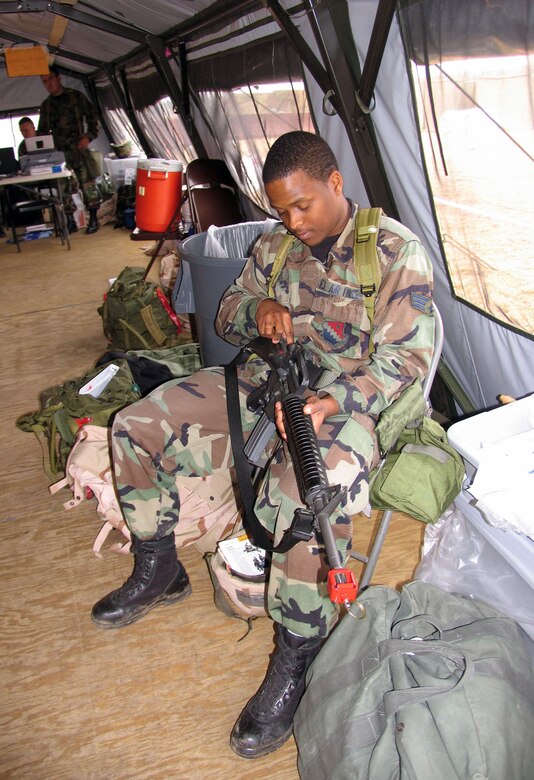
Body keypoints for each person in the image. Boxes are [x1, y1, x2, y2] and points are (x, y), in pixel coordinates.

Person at [90, 131, 435, 758]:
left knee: (305, 497)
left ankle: (296, 656)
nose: (293, 221)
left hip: (346, 406)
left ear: (335, 184)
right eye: (281, 210)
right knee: (136, 426)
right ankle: (159, 566)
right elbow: (228, 313)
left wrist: (339, 399)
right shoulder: (275, 244)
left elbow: (409, 360)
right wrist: (264, 308)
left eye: (303, 205)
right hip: (262, 385)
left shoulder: (392, 252)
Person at [38, 66, 101, 234]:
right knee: (63, 188)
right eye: (44, 81)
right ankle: (70, 220)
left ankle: (94, 219)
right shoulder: (46, 106)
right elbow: (42, 133)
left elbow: (93, 117)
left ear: (58, 78)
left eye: (50, 79)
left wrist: (88, 136)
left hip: (79, 149)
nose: (48, 83)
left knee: (87, 184)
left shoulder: (76, 97)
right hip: (59, 154)